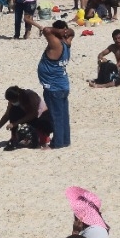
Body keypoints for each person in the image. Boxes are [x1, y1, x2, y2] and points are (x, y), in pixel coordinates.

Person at [24, 16, 74, 149]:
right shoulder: (67, 42)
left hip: (54, 87)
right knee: (63, 116)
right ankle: (65, 140)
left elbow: (46, 30)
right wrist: (32, 22)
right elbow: (71, 32)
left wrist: (34, 23)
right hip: (62, 85)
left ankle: (57, 143)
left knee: (56, 116)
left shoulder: (56, 44)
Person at [0, 85, 52, 150]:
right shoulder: (13, 101)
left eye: (12, 101)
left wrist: (14, 124)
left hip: (41, 116)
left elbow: (33, 114)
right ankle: (14, 137)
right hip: (28, 116)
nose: (11, 102)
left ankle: (43, 136)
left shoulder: (30, 96)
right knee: (13, 111)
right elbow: (7, 115)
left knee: (42, 128)